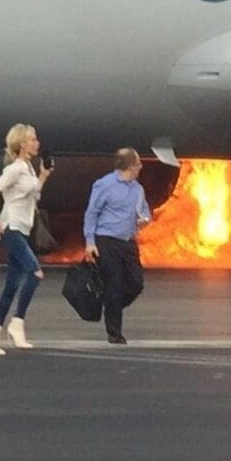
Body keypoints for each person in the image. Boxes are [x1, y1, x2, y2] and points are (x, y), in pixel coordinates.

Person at [0, 123, 50, 355]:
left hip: (23, 228)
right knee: (35, 273)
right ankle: (17, 322)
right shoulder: (15, 169)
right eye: (33, 139)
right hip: (11, 227)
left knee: (11, 284)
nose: (37, 143)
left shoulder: (28, 168)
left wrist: (43, 176)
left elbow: (33, 195)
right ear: (22, 144)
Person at [82, 147, 151, 345]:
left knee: (136, 283)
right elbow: (92, 213)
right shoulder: (105, 185)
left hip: (128, 241)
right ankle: (114, 332)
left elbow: (145, 212)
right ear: (130, 166)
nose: (141, 166)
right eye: (138, 163)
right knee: (114, 284)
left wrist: (145, 220)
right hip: (107, 240)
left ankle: (111, 306)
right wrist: (90, 242)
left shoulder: (138, 189)